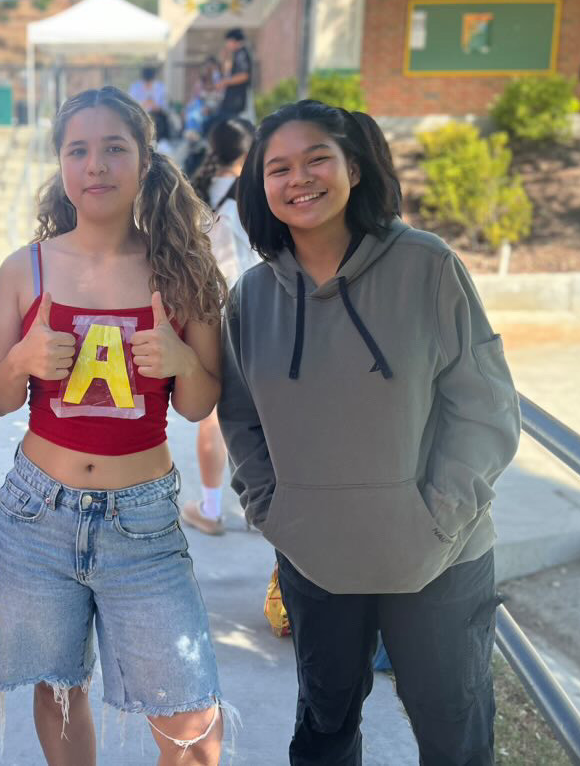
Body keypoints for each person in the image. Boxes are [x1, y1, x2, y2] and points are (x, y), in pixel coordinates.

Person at [218, 100, 520, 764]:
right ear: (259, 186)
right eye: (279, 168)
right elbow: (240, 418)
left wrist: (439, 517)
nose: (299, 179)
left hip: (440, 558)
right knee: (325, 726)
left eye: (317, 158)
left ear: (353, 166)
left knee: (454, 731)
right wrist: (274, 509)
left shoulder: (427, 267)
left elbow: (485, 407)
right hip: (316, 558)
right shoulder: (251, 299)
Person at [0, 86, 230, 765]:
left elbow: (201, 402)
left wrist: (180, 360)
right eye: (78, 150)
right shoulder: (23, 269)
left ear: (146, 161)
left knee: (193, 720)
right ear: (61, 166)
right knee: (59, 691)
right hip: (37, 517)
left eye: (115, 147)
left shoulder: (182, 269)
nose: (97, 165)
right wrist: (24, 360)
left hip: (142, 525)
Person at [181, 117, 259, 536]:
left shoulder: (191, 194)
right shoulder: (256, 197)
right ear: (250, 154)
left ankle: (211, 510)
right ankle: (262, 510)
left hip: (209, 315)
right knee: (266, 415)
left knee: (212, 417)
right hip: (258, 312)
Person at [200, 29, 252, 141]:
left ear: (233, 41)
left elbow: (244, 75)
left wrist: (225, 82)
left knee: (214, 124)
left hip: (235, 101)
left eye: (228, 41)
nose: (227, 45)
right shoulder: (238, 54)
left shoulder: (242, 53)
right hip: (231, 101)